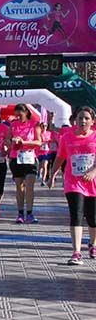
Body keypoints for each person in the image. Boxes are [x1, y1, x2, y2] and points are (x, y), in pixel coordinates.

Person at [51, 106, 96, 265]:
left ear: (92, 121)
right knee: (76, 214)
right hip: (73, 181)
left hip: (93, 182)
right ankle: (76, 252)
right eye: (80, 118)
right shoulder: (67, 138)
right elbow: (60, 157)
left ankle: (93, 243)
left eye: (86, 118)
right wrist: (52, 174)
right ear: (74, 121)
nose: (83, 121)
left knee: (93, 218)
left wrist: (93, 172)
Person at [6, 103, 43, 224]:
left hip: (30, 158)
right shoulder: (13, 125)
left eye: (20, 115)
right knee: (19, 187)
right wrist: (12, 140)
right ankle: (20, 213)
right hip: (16, 158)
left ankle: (30, 213)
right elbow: (7, 139)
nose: (18, 118)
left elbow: (39, 142)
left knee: (30, 187)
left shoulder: (34, 124)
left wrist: (24, 142)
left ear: (26, 112)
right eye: (16, 115)